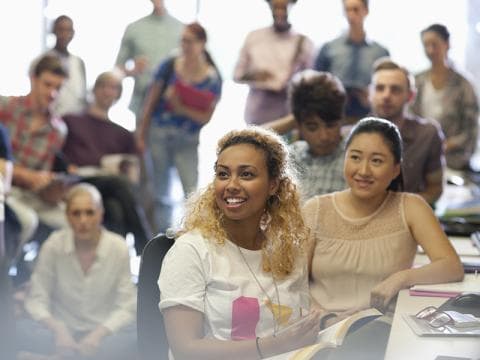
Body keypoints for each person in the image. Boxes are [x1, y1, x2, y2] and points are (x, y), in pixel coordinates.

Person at [303, 118, 463, 356]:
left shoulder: (411, 207)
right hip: (319, 330)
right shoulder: (315, 209)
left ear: (396, 168)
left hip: (382, 330)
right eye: (355, 157)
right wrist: (325, 320)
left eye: (377, 161)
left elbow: (451, 266)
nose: (363, 170)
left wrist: (401, 278)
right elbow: (292, 284)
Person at [158, 127, 321, 359]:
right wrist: (276, 345)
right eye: (223, 174)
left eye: (246, 175)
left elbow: (296, 326)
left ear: (273, 185)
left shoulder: (288, 250)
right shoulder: (191, 250)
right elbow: (186, 350)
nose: (231, 185)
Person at [16, 183, 137, 360]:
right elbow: (37, 299)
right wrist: (59, 331)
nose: (83, 221)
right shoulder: (54, 245)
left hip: (104, 333)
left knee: (136, 338)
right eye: (76, 213)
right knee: (17, 330)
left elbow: (127, 306)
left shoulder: (118, 247)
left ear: (101, 214)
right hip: (61, 331)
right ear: (67, 216)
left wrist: (98, 335)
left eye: (89, 212)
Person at [137, 22, 222, 232]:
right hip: (159, 132)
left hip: (187, 138)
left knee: (192, 191)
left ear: (202, 44)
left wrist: (181, 108)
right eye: (182, 40)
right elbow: (150, 100)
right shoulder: (169, 65)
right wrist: (141, 132)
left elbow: (205, 117)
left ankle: (191, 236)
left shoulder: (212, 77)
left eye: (190, 41)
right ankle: (161, 239)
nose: (185, 45)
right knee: (160, 193)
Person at [61, 71, 152, 253]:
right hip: (79, 179)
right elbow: (56, 154)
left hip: (110, 186)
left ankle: (113, 266)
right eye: (104, 86)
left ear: (118, 94)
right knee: (119, 183)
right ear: (94, 90)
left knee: (115, 209)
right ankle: (147, 247)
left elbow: (132, 173)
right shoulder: (71, 121)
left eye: (114, 88)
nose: (108, 92)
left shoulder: (123, 134)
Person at [0, 54, 69, 247]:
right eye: (47, 85)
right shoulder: (5, 107)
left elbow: (39, 178)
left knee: (70, 220)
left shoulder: (58, 130)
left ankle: (36, 273)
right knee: (27, 221)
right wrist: (26, 176)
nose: (52, 93)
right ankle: (6, 273)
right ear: (33, 79)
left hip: (29, 194)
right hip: (4, 187)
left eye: (58, 88)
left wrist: (51, 188)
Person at [369, 57, 445, 205]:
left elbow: (435, 188)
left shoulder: (428, 134)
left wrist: (402, 211)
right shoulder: (352, 135)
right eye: (379, 88)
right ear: (369, 93)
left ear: (410, 96)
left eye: (395, 89)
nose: (386, 96)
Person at [233, 0, 314, 125]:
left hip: (287, 118)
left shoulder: (303, 43)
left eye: (284, 7)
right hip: (256, 117)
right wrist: (256, 76)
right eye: (276, 7)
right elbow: (237, 74)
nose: (279, 12)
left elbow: (309, 83)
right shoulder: (254, 37)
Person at [411, 24, 479, 171]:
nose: (430, 50)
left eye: (434, 44)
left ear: (447, 44)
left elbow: (471, 129)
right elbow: (410, 118)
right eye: (426, 45)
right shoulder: (417, 81)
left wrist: (446, 145)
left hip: (454, 161)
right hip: (422, 157)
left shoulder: (464, 85)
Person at [314, 0, 389, 124]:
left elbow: (387, 85)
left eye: (356, 9)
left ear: (366, 11)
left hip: (370, 117)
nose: (351, 15)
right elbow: (317, 85)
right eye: (347, 10)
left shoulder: (380, 52)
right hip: (335, 117)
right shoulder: (328, 48)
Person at [115, 0, 183, 122]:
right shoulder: (134, 28)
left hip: (176, 105)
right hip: (142, 101)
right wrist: (132, 70)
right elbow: (117, 69)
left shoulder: (183, 29)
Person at [288, 70, 348, 201]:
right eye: (312, 127)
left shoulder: (354, 159)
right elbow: (244, 143)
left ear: (342, 120)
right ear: (298, 126)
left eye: (330, 125)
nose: (324, 136)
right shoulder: (291, 156)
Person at [40, 15, 87, 117]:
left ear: (73, 33)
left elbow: (83, 95)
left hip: (75, 119)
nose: (65, 34)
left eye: (68, 30)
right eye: (61, 30)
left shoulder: (78, 62)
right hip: (49, 118)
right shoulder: (41, 60)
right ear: (53, 31)